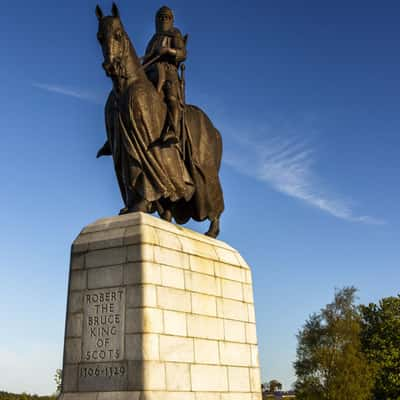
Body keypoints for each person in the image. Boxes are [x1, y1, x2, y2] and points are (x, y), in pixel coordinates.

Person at [142, 6, 186, 144]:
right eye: (161, 17)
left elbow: (182, 54)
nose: (163, 20)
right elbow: (148, 58)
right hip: (150, 73)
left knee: (171, 97)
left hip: (168, 71)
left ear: (171, 19)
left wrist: (168, 50)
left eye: (166, 17)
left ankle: (173, 130)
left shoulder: (175, 33)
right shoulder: (152, 40)